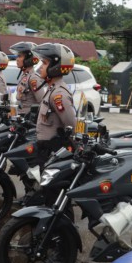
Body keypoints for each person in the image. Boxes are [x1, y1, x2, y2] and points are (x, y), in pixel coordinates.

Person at [30, 43, 77, 177]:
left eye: (44, 63)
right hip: (44, 150)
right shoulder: (51, 89)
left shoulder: (58, 94)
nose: (40, 67)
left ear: (55, 67)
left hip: (53, 152)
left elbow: (71, 126)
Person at [9, 41, 46, 116]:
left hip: (28, 119)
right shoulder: (24, 76)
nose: (17, 59)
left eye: (20, 56)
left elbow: (42, 102)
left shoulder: (33, 78)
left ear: (28, 59)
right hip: (20, 117)